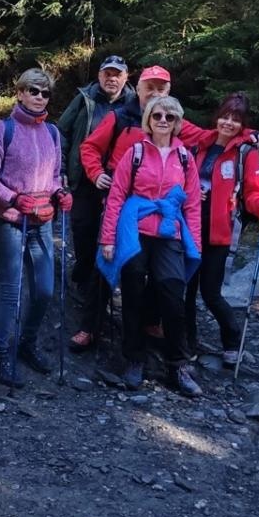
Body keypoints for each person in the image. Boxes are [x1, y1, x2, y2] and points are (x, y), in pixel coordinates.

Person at [73, 65, 206, 350]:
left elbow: (208, 137)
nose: (156, 95)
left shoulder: (170, 119)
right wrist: (97, 174)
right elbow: (89, 147)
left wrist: (248, 136)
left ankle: (149, 321)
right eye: (150, 88)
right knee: (105, 263)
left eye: (161, 89)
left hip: (158, 214)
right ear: (139, 88)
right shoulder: (119, 118)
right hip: (115, 200)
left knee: (157, 271)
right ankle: (90, 326)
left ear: (168, 92)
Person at [98, 95, 202, 397]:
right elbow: (116, 196)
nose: (163, 121)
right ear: (149, 119)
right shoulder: (135, 153)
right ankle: (134, 359)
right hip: (135, 227)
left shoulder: (185, 157)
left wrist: (191, 243)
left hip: (169, 232)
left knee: (172, 294)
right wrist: (107, 239)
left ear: (177, 122)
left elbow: (193, 204)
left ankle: (178, 364)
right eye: (157, 115)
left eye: (169, 117)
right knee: (132, 292)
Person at [0, 68, 70, 387]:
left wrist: (60, 192)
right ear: (19, 92)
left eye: (45, 92)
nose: (39, 97)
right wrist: (12, 198)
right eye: (33, 91)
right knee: (12, 290)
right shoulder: (2, 129)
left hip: (42, 221)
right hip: (9, 220)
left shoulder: (52, 132)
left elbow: (55, 174)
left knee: (45, 289)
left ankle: (27, 343)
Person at [185, 92, 259, 367]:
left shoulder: (245, 151)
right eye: (224, 117)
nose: (228, 123)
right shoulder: (201, 142)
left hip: (219, 231)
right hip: (190, 226)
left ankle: (232, 339)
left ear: (243, 124)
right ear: (216, 117)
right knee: (186, 289)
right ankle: (188, 342)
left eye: (235, 120)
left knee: (210, 292)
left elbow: (253, 191)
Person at [57, 55, 135, 332]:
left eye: (117, 74)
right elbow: (62, 132)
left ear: (126, 77)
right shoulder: (85, 99)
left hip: (120, 183)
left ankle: (101, 284)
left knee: (112, 235)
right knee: (83, 228)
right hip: (84, 178)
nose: (111, 78)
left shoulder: (136, 106)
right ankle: (82, 275)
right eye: (107, 73)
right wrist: (62, 165)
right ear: (99, 76)